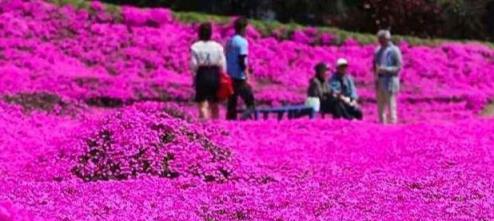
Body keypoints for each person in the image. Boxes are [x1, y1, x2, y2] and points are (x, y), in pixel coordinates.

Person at [190, 22, 226, 120]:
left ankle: (205, 125)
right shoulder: (218, 46)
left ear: (199, 33)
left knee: (203, 103)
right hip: (215, 74)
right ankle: (216, 126)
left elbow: (193, 65)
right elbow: (222, 63)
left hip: (202, 73)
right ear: (211, 33)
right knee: (214, 103)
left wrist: (194, 73)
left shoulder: (195, 46)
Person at [225, 17, 256, 120]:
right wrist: (247, 77)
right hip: (240, 78)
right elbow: (242, 60)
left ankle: (230, 125)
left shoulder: (230, 41)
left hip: (230, 77)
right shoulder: (242, 42)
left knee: (232, 105)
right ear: (243, 28)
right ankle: (241, 120)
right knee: (251, 104)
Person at [373, 30, 403, 124]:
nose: (380, 42)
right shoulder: (378, 50)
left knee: (391, 105)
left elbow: (399, 67)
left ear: (387, 39)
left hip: (390, 81)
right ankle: (382, 124)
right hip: (380, 80)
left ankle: (393, 124)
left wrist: (385, 69)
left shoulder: (394, 50)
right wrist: (376, 76)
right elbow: (374, 65)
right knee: (380, 106)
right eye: (379, 40)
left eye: (382, 39)